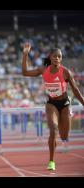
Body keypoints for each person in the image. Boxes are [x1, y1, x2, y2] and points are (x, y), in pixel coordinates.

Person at [21, 42, 84, 171]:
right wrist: (25, 55)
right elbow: (25, 73)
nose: (57, 58)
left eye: (59, 57)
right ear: (50, 57)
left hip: (65, 103)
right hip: (51, 104)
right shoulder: (43, 70)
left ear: (61, 59)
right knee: (53, 130)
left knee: (64, 136)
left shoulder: (66, 72)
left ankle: (62, 130)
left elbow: (76, 91)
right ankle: (51, 161)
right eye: (55, 56)